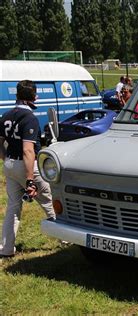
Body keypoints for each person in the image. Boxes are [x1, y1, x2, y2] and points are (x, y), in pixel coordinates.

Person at [0, 80, 56, 258]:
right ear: (31, 97)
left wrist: (7, 160)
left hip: (9, 164)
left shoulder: (6, 115)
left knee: (13, 207)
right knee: (48, 201)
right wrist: (30, 179)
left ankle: (6, 248)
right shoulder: (30, 117)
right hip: (26, 166)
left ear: (17, 96)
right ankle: (66, 239)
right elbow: (28, 150)